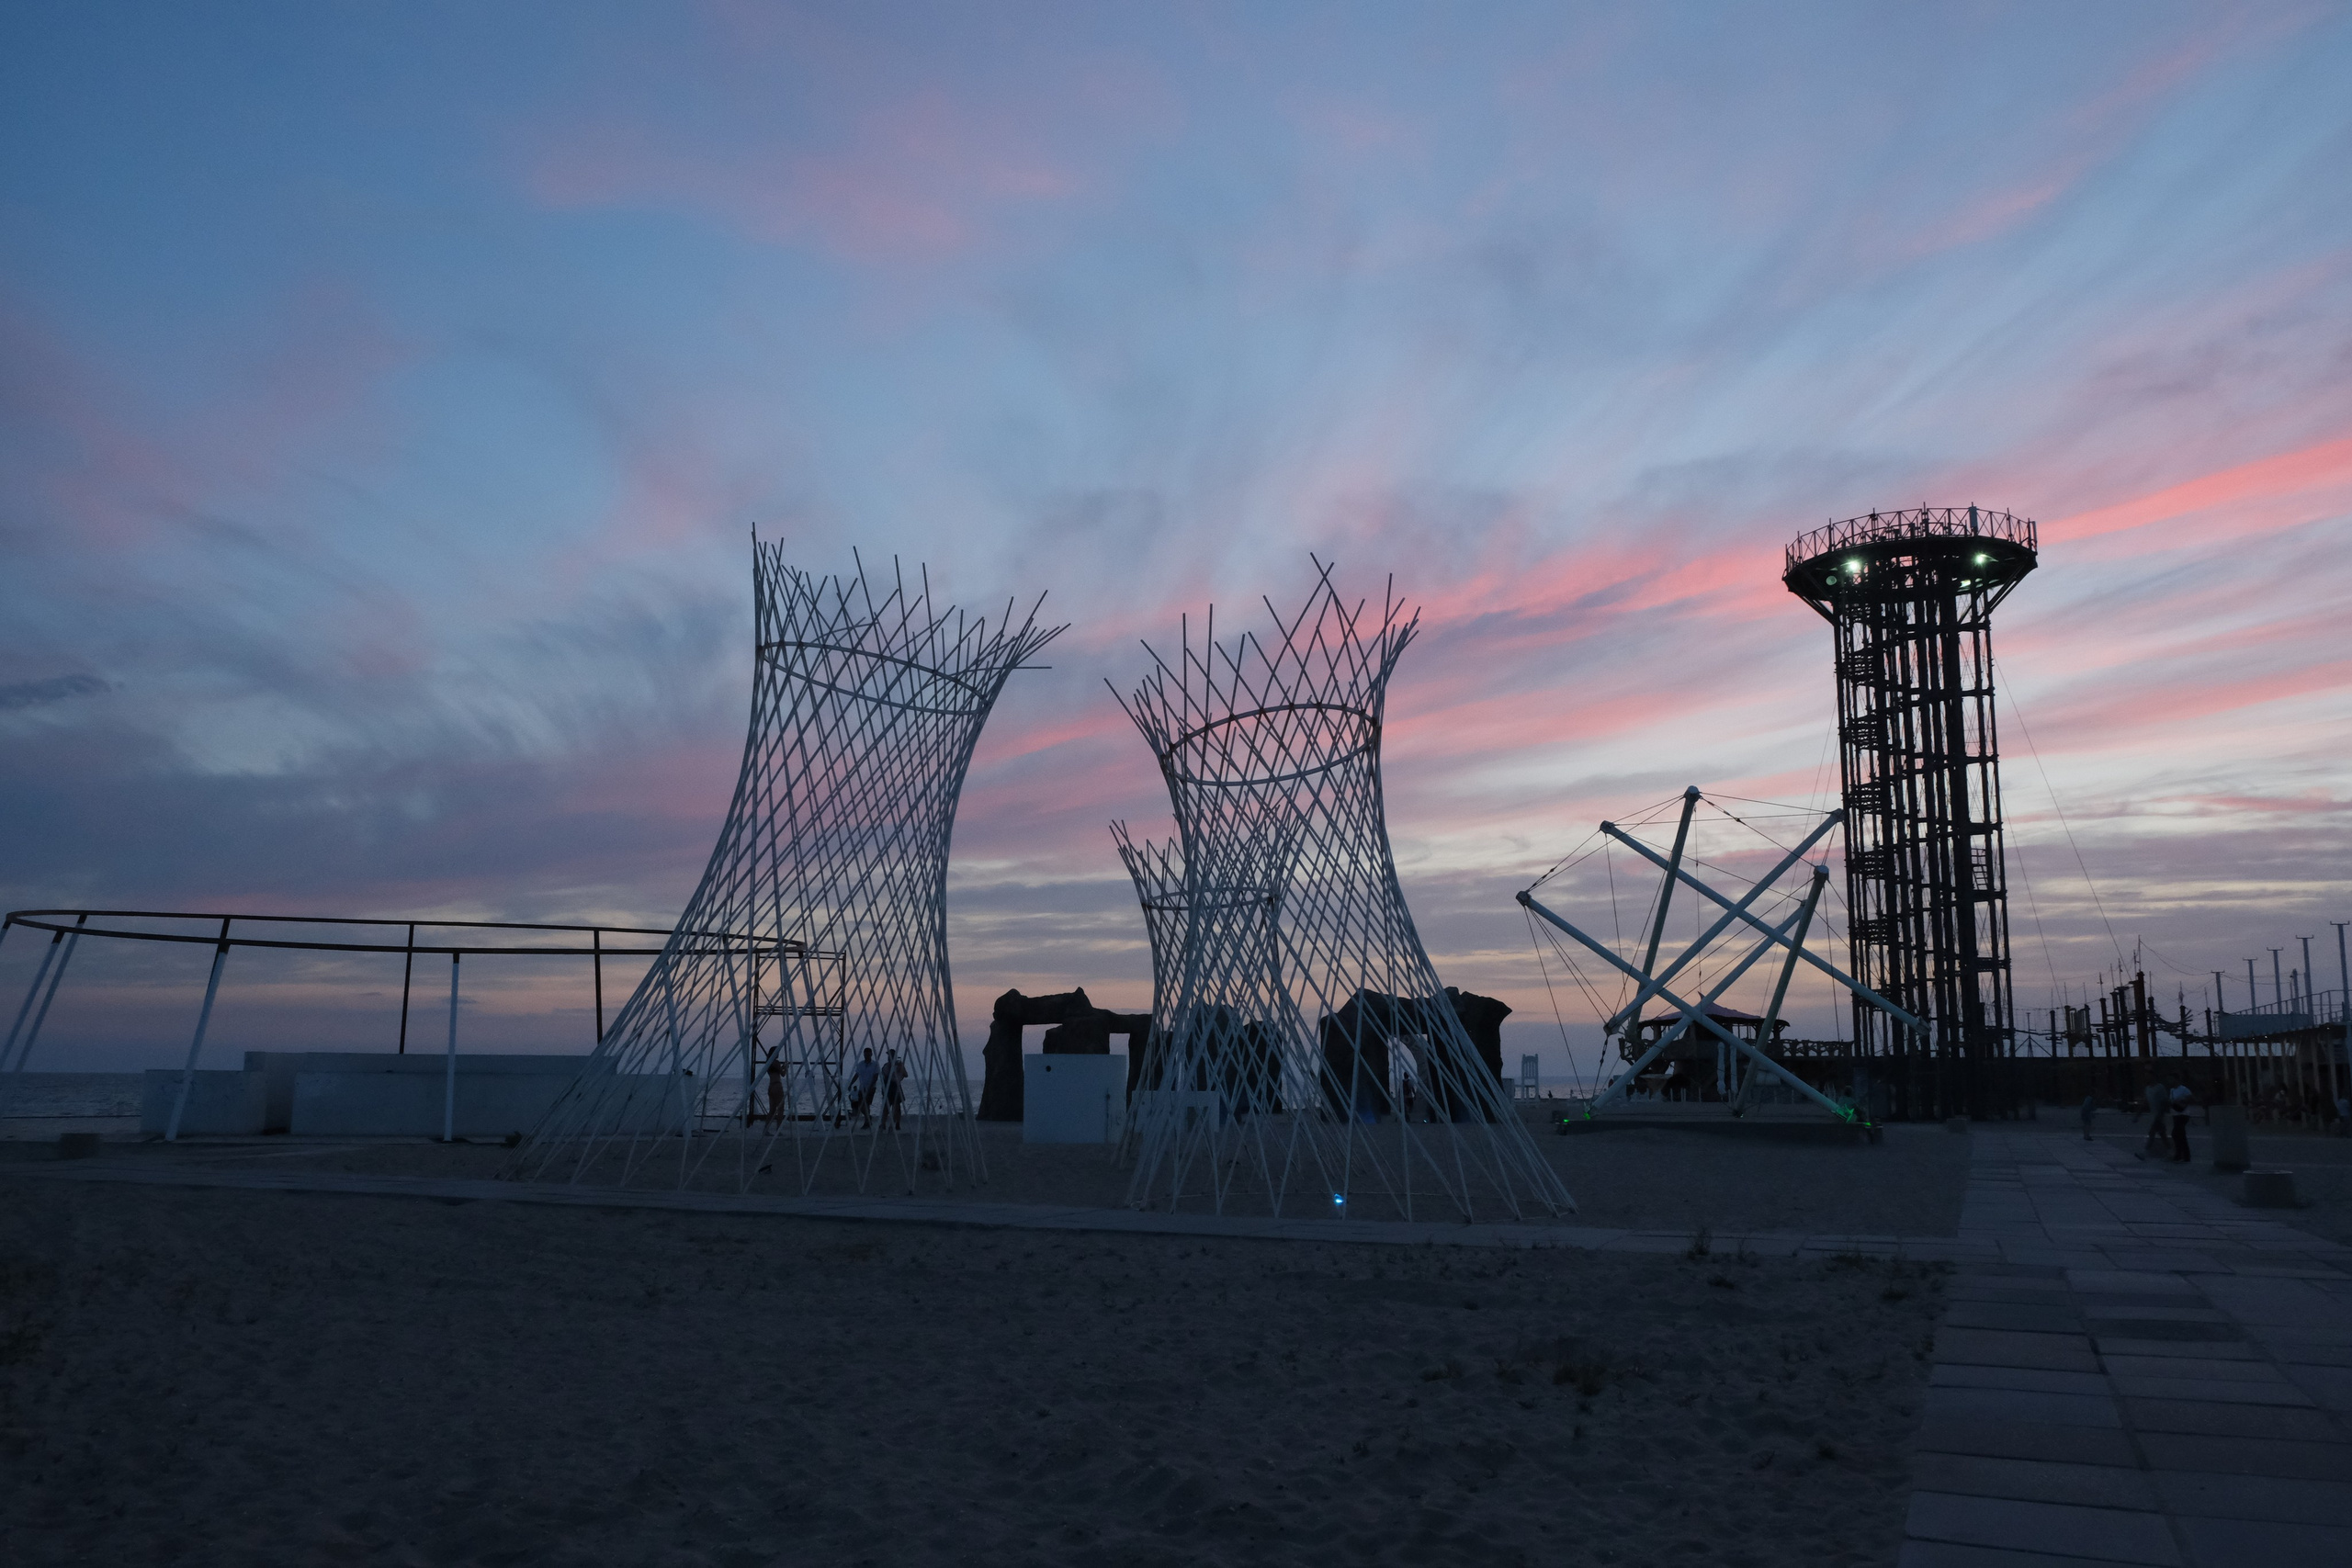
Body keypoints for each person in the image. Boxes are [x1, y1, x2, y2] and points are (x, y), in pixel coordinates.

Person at [849, 1047, 880, 1129]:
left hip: (871, 1088)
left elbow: (876, 1077)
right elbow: (857, 1075)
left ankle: (867, 1122)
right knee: (860, 1106)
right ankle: (868, 1118)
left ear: (871, 1054)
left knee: (866, 1104)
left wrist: (870, 1086)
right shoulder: (861, 1064)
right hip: (862, 1087)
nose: (866, 1056)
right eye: (865, 1054)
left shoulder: (875, 1064)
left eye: (868, 1054)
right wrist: (851, 1083)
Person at [880, 1050, 907, 1133]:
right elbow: (885, 1075)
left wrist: (900, 1068)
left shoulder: (899, 1064)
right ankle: (883, 1123)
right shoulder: (886, 1065)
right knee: (886, 1107)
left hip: (895, 1086)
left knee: (897, 1106)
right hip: (888, 1086)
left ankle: (897, 1123)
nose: (889, 1058)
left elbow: (905, 1074)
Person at [2170, 1082, 2193, 1164]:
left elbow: (2190, 1098)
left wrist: (2179, 1100)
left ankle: (2181, 1155)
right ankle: (2183, 1155)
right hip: (2176, 1114)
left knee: (2176, 1133)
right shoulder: (2172, 1090)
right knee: (2180, 1134)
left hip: (2183, 1114)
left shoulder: (2184, 1089)